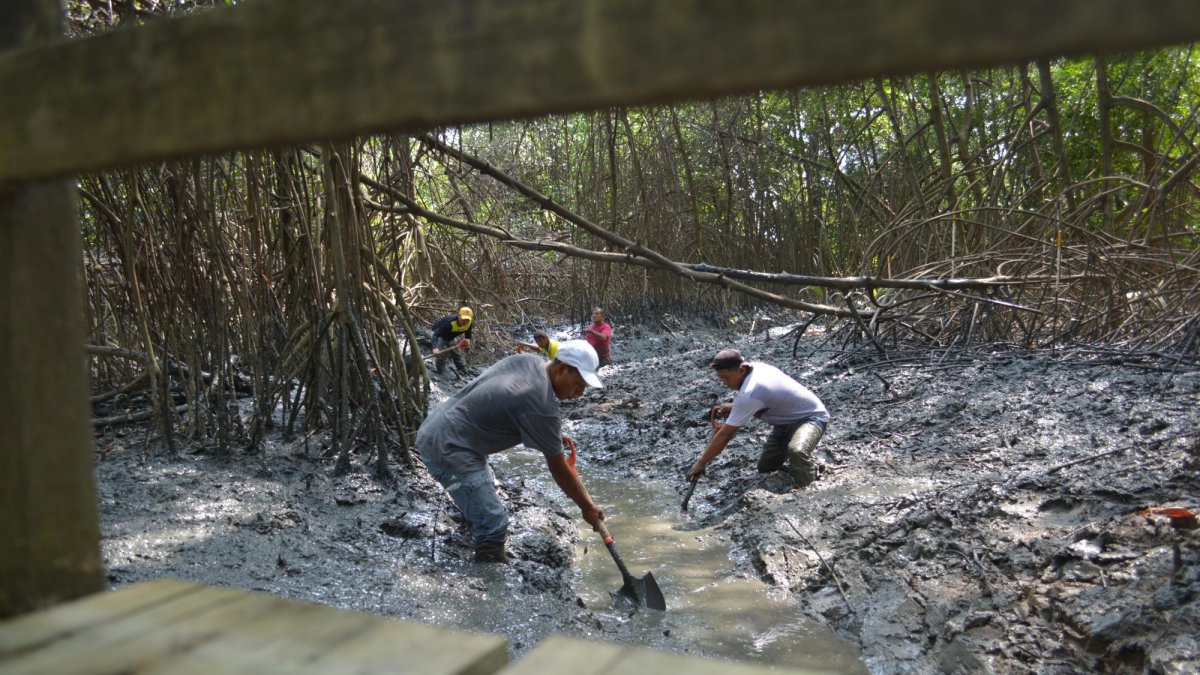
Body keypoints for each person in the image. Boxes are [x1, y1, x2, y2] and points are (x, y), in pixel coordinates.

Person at [416, 340, 606, 562]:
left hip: (437, 427)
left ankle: (471, 529)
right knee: (494, 522)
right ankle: (487, 576)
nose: (580, 393)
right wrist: (587, 507)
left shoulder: (529, 361)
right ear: (563, 368)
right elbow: (558, 468)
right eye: (579, 384)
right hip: (448, 447)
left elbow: (507, 401)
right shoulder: (541, 406)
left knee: (483, 493)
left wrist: (549, 434)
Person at [686, 348, 829, 489]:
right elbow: (764, 398)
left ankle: (807, 490)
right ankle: (804, 470)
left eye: (727, 377)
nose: (724, 382)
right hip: (784, 422)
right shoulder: (756, 367)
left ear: (741, 370)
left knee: (797, 451)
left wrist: (701, 463)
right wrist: (734, 407)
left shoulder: (750, 393)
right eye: (721, 378)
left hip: (811, 417)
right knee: (766, 467)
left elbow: (725, 435)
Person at [430, 306, 474, 377]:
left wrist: (467, 340)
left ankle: (463, 370)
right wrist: (434, 348)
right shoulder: (449, 323)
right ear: (459, 316)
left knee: (457, 353)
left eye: (467, 320)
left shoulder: (469, 324)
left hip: (451, 336)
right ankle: (440, 373)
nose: (465, 322)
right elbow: (435, 335)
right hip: (438, 334)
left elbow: (467, 336)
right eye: (463, 319)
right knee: (441, 354)